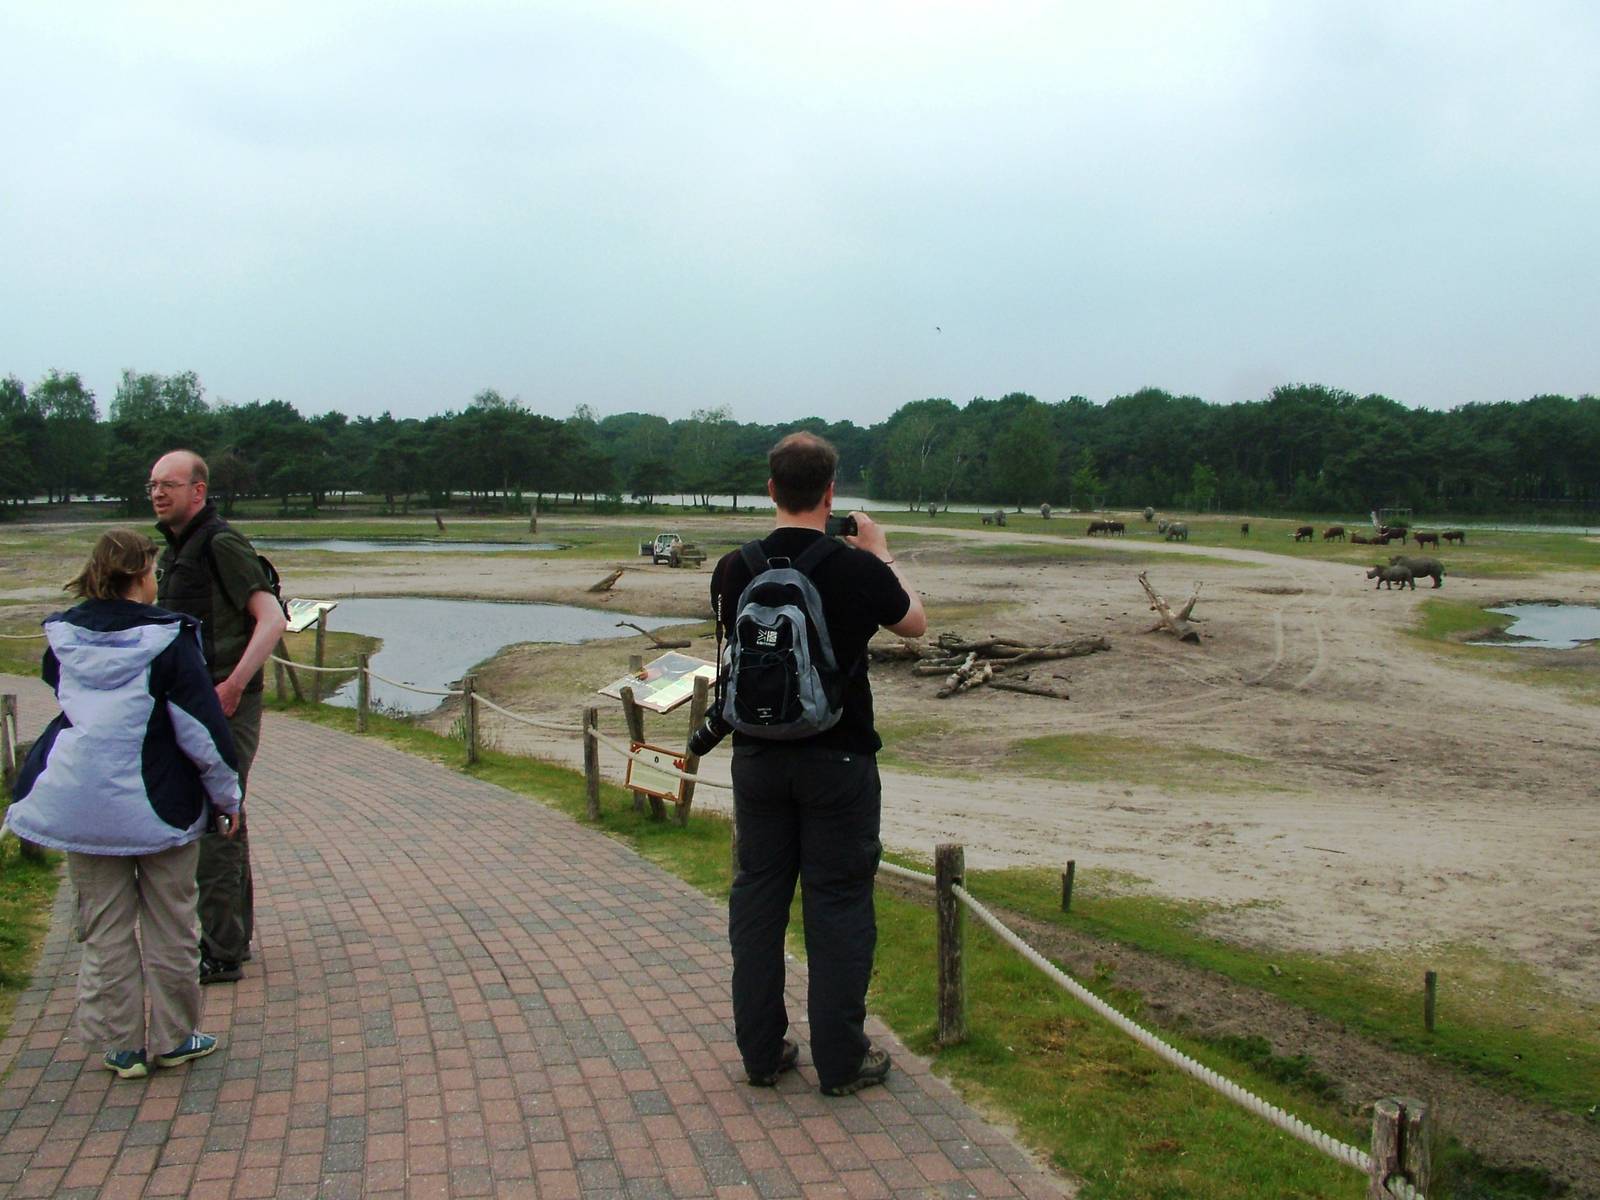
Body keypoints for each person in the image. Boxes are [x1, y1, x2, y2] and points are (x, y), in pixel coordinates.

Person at [710, 432, 926, 1096]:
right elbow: (914, 624)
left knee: (757, 902)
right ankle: (841, 1060)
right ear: (830, 493)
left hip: (755, 757)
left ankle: (760, 1052)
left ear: (771, 489)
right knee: (836, 905)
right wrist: (881, 553)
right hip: (838, 756)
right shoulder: (853, 567)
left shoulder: (732, 569)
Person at [5, 530, 241, 1079]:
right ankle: (174, 1036)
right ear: (140, 575)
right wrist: (228, 798)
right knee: (171, 923)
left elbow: (63, 695)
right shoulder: (169, 642)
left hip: (80, 803)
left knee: (103, 926)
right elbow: (202, 733)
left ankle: (121, 1044)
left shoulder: (63, 638)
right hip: (159, 805)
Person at [148, 450, 287, 984]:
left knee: (216, 819)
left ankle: (222, 950)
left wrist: (231, 686)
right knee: (223, 815)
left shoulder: (220, 543)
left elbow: (271, 618)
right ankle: (230, 939)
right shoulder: (178, 549)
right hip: (197, 702)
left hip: (224, 703)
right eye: (153, 485)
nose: (159, 493)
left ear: (199, 492)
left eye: (170, 485)